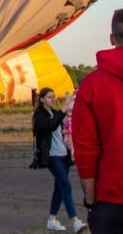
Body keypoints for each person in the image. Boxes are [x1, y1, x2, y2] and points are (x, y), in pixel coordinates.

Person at [73, 7, 123, 234]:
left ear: (111, 39)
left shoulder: (92, 85)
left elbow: (85, 147)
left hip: (113, 202)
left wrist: (90, 198)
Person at [33, 87, 86, 232]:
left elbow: (68, 122)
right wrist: (63, 110)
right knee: (66, 186)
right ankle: (75, 221)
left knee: (59, 188)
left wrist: (72, 103)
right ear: (42, 99)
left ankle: (52, 219)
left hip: (64, 155)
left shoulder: (56, 113)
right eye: (49, 97)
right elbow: (49, 126)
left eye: (54, 96)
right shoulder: (39, 115)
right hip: (52, 156)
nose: (53, 99)